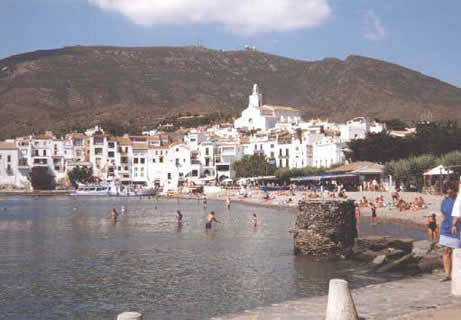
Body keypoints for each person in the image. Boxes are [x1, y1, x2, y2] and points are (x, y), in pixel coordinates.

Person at [439, 181, 460, 282]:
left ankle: (456, 273)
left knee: (456, 251)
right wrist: (439, 227)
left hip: (457, 228)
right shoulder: (444, 201)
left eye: (450, 189)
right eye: (447, 190)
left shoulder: (459, 200)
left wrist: (455, 224)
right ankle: (448, 274)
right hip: (446, 228)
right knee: (446, 250)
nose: (448, 192)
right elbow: (443, 215)